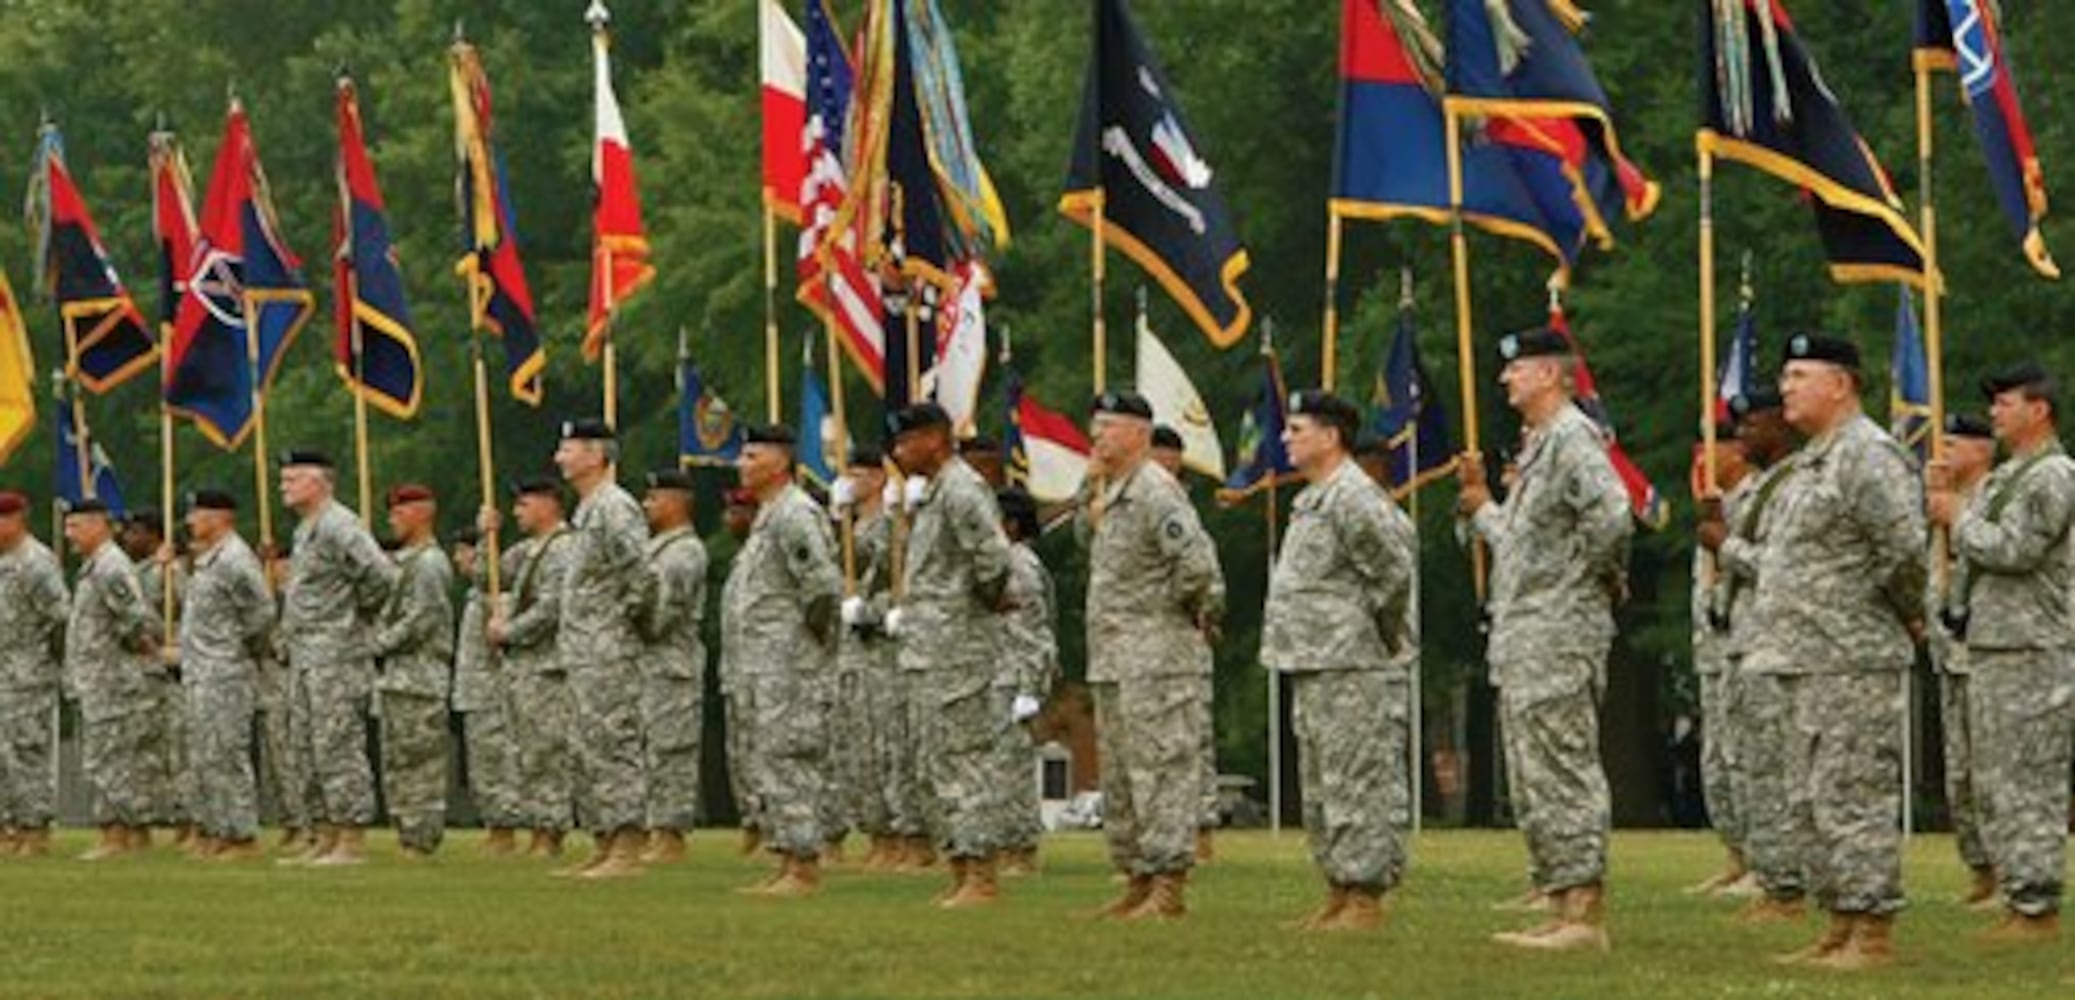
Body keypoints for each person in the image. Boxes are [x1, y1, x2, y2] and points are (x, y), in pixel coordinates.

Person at [1733, 334, 1925, 970]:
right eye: (1784, 376)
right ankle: (1839, 924)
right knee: (1811, 801)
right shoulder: (1815, 460)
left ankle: (1872, 934)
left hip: (1852, 656)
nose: (1785, 386)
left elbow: (1903, 549)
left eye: (1798, 374)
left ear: (1839, 384)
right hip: (1802, 655)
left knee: (1853, 797)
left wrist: (1891, 612)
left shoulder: (1869, 455)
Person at [1457, 329, 1631, 951]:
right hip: (1529, 631)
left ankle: (1584, 914)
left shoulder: (1570, 438)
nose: (1506, 379)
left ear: (1554, 375)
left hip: (1559, 630)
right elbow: (1524, 548)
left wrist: (1581, 580)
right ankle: (1561, 904)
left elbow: (1612, 515)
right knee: (1535, 773)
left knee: (1563, 767)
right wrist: (1481, 506)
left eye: (1518, 369)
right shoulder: (1539, 449)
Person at [1931, 362, 2075, 944]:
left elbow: (2016, 550)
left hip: (2033, 649)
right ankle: (2017, 896)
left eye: (2005, 402)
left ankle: (2037, 907)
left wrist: (1955, 515)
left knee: (2029, 782)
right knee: (1996, 781)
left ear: (2039, 409)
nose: (1994, 413)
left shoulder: (2054, 476)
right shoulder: (2006, 476)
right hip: (1993, 645)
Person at [1265, 391, 1417, 933]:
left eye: (1297, 428)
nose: (1285, 438)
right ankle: (1338, 889)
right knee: (1324, 782)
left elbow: (1394, 570)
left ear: (1330, 437)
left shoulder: (1353, 496)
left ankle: (1365, 897)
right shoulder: (1314, 498)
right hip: (1315, 661)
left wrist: (1376, 632)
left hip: (1353, 662)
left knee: (1358, 780)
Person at [1082, 389, 1225, 921]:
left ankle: (1168, 886)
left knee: (1161, 771)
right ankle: (1137, 878)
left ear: (1140, 434)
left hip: (1157, 659)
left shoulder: (1156, 492)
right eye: (1095, 425)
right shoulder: (1116, 492)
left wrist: (1181, 619)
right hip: (1116, 658)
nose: (1098, 435)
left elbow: (1199, 567)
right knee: (1122, 776)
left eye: (1110, 426)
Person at [889, 402, 1016, 907]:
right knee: (937, 763)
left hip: (957, 651)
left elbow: (992, 557)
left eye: (907, 441)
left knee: (965, 762)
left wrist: (980, 606)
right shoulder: (937, 492)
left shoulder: (962, 489)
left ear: (936, 438)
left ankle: (981, 874)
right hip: (930, 650)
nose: (898, 452)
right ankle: (961, 868)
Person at [724, 423, 842, 896]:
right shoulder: (769, 516)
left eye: (751, 456)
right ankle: (785, 857)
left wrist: (806, 642)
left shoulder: (795, 513)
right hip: (761, 664)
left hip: (788, 663)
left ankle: (803, 865)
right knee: (769, 757)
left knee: (790, 757)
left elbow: (822, 587)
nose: (741, 464)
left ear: (779, 462)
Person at [1699, 389, 1802, 917]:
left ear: (1780, 427)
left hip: (1776, 639)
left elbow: (1784, 567)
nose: (1740, 436)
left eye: (1751, 425)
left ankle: (1786, 883)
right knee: (1751, 764)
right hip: (1745, 642)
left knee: (1774, 767)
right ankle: (1769, 875)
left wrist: (1726, 545)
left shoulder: (1794, 486)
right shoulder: (1765, 488)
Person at [542, 418, 652, 879]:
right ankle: (604, 840)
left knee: (614, 743)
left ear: (594, 454)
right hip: (583, 649)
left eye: (566, 449)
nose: (558, 458)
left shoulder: (614, 507)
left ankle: (627, 846)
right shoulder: (588, 510)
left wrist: (620, 629)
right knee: (588, 747)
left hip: (607, 648)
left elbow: (641, 578)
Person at [275, 450, 397, 867]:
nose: (283, 486)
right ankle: (324, 834)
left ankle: (350, 838)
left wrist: (354, 615)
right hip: (306, 654)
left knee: (337, 744)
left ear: (319, 482)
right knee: (307, 747)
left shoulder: (339, 525)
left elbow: (382, 576)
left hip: (336, 654)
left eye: (293, 479)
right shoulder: (307, 529)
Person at [63, 498, 170, 861]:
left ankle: (115, 834)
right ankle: (126, 834)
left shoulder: (110, 567)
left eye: (75, 526)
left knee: (109, 759)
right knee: (109, 757)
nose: (69, 535)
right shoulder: (96, 566)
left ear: (98, 525)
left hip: (110, 679)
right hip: (96, 678)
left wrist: (140, 646)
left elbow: (137, 619)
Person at [170, 489, 272, 861]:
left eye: (197, 514)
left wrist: (235, 647)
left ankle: (242, 836)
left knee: (227, 754)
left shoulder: (234, 559)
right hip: (201, 671)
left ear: (218, 517)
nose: (190, 521)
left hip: (226, 672)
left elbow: (262, 612)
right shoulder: (207, 561)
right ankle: (215, 830)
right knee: (204, 756)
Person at [1923, 414, 1998, 907]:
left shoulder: (1995, 498)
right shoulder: (1939, 507)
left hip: (1990, 654)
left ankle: (2010, 870)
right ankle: (1980, 870)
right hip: (1949, 654)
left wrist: (1956, 517)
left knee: (1994, 767)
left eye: (1952, 443)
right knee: (1960, 771)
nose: (1940, 452)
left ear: (1981, 451)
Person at [488, 478, 578, 858]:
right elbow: (484, 574)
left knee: (547, 750)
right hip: (525, 668)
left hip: (548, 665)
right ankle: (538, 825)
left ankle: (550, 829)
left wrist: (508, 631)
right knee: (526, 751)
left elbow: (550, 607)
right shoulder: (528, 550)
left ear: (548, 504)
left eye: (524, 504)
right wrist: (487, 536)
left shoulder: (562, 548)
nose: (516, 512)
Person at [371, 485, 454, 859]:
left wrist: (378, 643)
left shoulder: (430, 563)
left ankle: (422, 838)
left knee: (422, 764)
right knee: (398, 761)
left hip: (420, 678)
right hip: (395, 678)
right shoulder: (401, 561)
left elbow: (423, 619)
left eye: (400, 512)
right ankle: (407, 833)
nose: (393, 519)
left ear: (423, 513)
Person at [831, 444, 903, 868]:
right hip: (855, 652)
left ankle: (898, 837)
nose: (850, 480)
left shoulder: (891, 527)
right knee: (860, 749)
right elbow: (839, 567)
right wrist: (838, 519)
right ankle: (878, 835)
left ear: (879, 478)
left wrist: (873, 614)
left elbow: (897, 582)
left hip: (885, 651)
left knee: (887, 746)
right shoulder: (855, 526)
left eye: (858, 473)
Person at [1153, 422, 1222, 859]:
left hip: (1181, 633)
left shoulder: (1182, 514)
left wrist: (1203, 610)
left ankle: (1200, 832)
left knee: (1191, 736)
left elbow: (1203, 569)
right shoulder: (1123, 502)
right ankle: (1156, 834)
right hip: (1136, 642)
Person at [634, 469, 709, 864]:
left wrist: (630, 617)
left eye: (654, 498)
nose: (647, 505)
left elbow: (665, 614)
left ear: (677, 501)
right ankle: (653, 826)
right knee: (648, 748)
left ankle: (670, 832)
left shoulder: (684, 552)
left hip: (670, 664)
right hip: (647, 666)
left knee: (671, 749)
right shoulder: (656, 547)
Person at [1687, 424, 1750, 895]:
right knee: (1719, 759)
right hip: (1714, 649)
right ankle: (1736, 855)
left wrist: (1722, 541)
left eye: (1714, 447)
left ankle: (1764, 866)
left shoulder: (1754, 499)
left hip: (1746, 644)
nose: (1703, 459)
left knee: (1747, 756)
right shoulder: (1714, 506)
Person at [0, 491, 68, 858]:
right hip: (3, 673)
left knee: (27, 752)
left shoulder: (36, 562)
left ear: (15, 520)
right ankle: (8, 827)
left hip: (28, 676)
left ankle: (34, 828)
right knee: (3, 756)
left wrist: (46, 661)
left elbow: (59, 617)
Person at [123, 508, 194, 851]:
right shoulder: (133, 572)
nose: (128, 538)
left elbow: (189, 605)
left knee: (180, 749)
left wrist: (171, 571)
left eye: (135, 532)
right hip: (144, 673)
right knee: (147, 752)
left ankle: (190, 821)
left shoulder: (171, 568)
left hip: (174, 669)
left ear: (153, 535)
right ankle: (150, 821)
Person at [995, 486, 1056, 876]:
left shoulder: (1019, 565)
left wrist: (1031, 688)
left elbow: (1034, 632)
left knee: (1013, 767)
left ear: (1011, 525)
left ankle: (1021, 849)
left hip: (1013, 675)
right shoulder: (999, 562)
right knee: (995, 768)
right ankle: (1003, 846)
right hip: (993, 672)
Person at [450, 527, 523, 854]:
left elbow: (502, 644)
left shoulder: (495, 595)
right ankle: (494, 826)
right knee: (481, 765)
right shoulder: (473, 597)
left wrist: (487, 538)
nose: (457, 559)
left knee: (496, 761)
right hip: (474, 691)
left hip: (492, 692)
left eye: (463, 552)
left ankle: (504, 828)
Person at [717, 487, 765, 855]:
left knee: (771, 752)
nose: (729, 517)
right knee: (743, 753)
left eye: (739, 509)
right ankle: (754, 824)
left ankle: (775, 828)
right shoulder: (743, 556)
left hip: (770, 668)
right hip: (738, 669)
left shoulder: (766, 550)